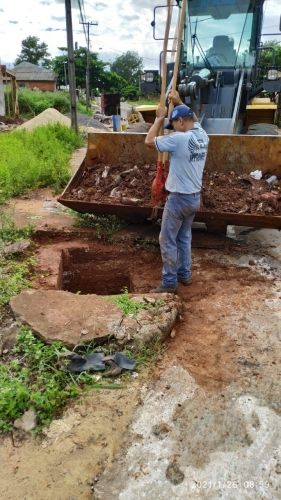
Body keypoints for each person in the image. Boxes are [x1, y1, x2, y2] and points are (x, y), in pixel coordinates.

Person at [145, 90, 209, 293]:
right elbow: (195, 119)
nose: (173, 129)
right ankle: (184, 274)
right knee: (184, 238)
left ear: (180, 121)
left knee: (167, 239)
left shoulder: (179, 139)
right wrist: (180, 101)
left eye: (173, 125)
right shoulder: (203, 136)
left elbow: (149, 141)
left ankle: (170, 282)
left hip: (178, 200)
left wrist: (159, 118)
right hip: (194, 199)